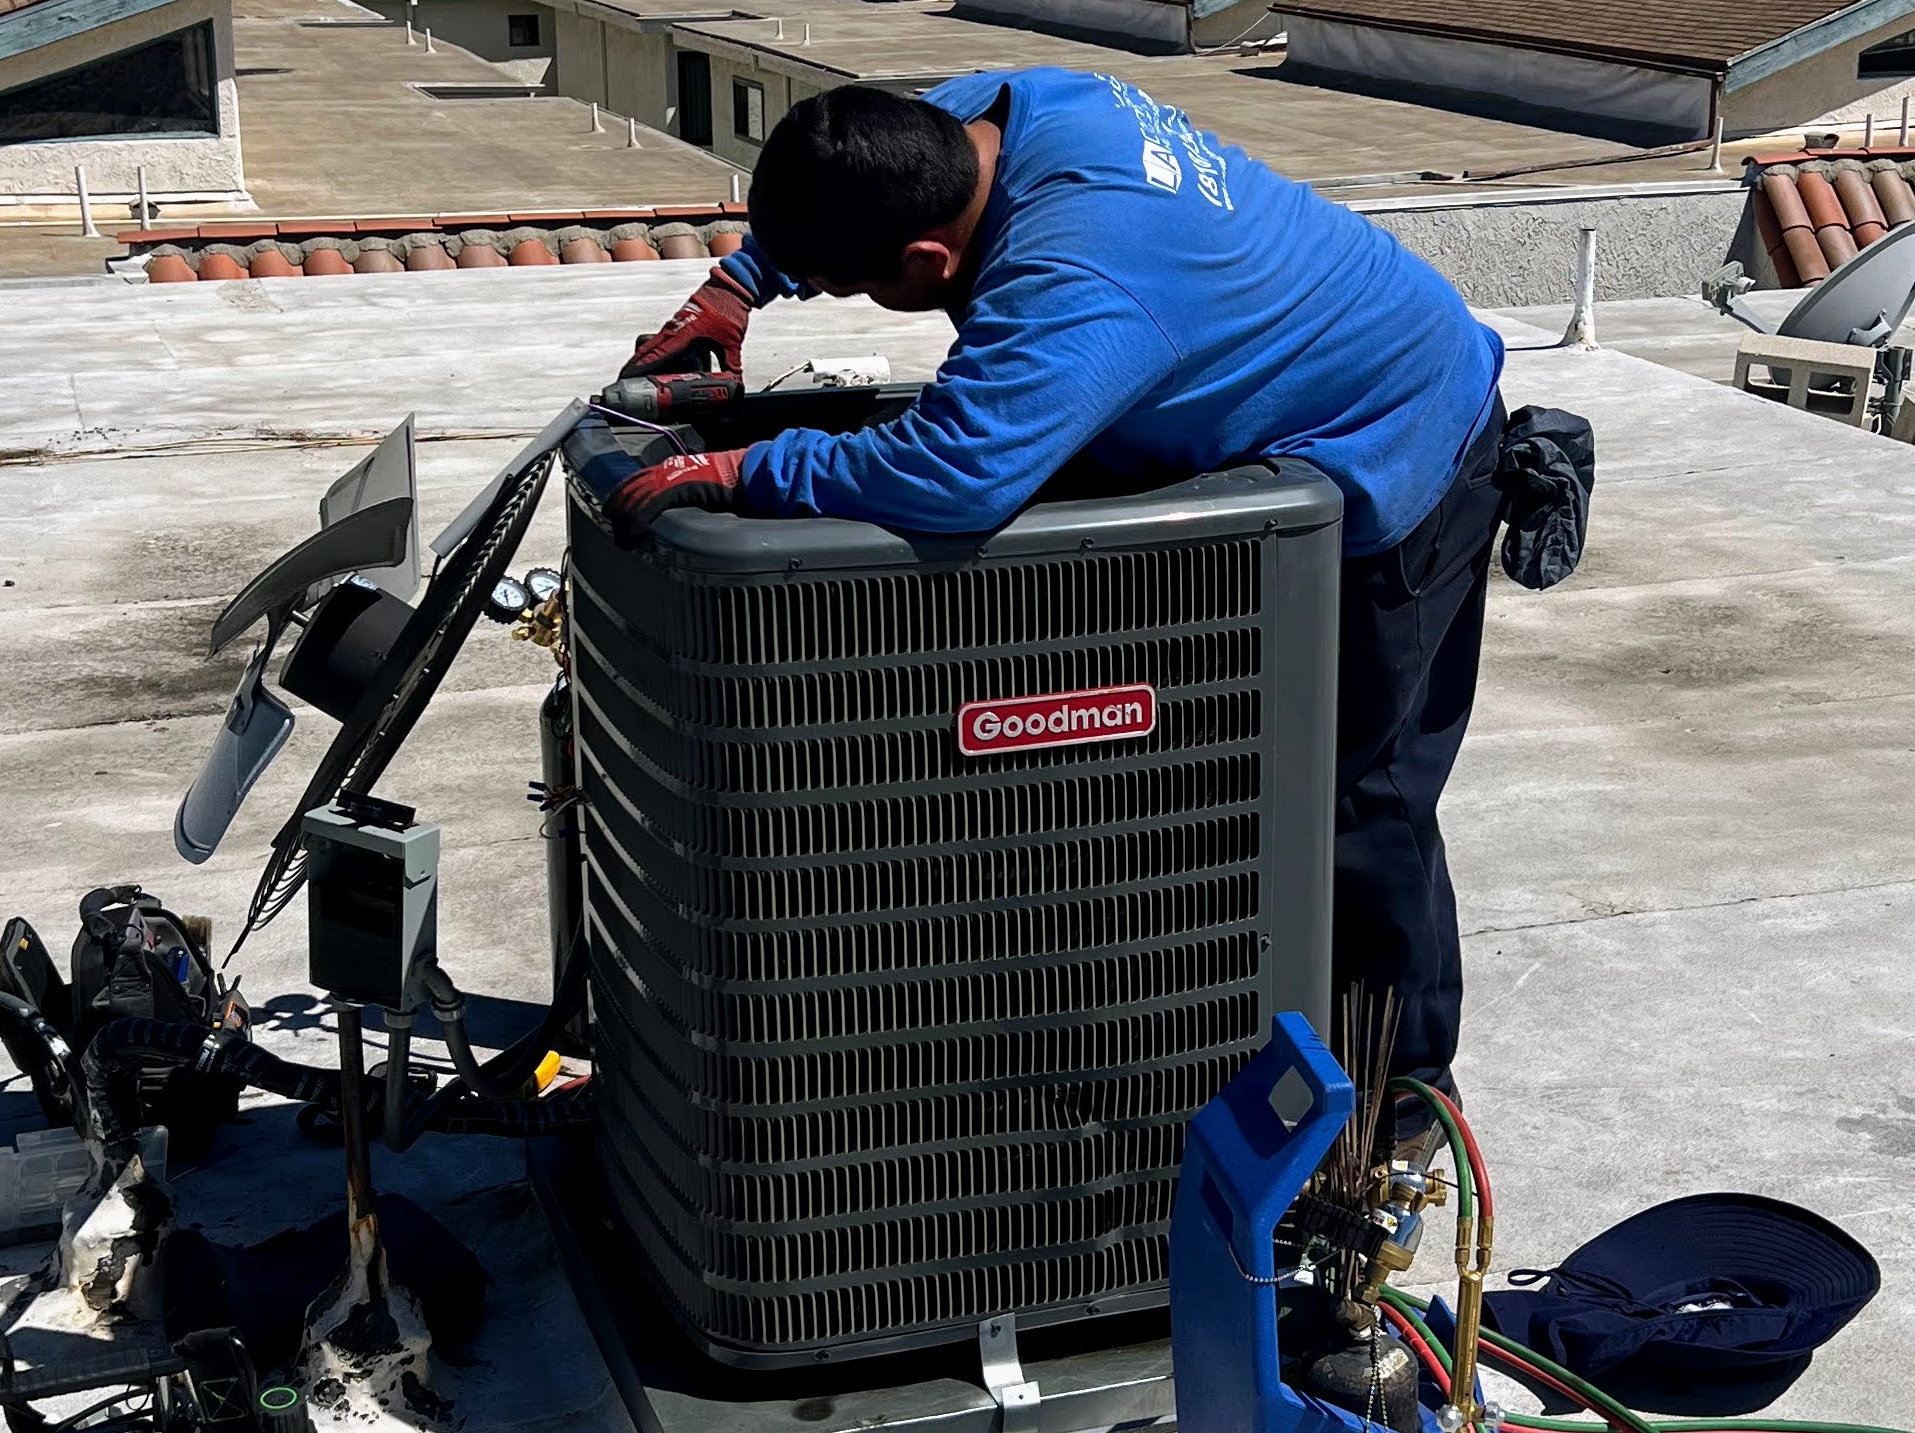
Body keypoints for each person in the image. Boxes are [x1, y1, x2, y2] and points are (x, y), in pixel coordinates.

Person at [608, 72, 1508, 1099]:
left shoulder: (1076, 287)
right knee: (1201, 765)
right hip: (1285, 383)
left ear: (926, 262)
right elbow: (872, 148)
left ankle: (1402, 1094)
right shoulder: (1029, 108)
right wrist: (741, 282)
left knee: (1350, 793)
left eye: (851, 285)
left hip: (1404, 440)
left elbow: (957, 469)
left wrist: (750, 469)